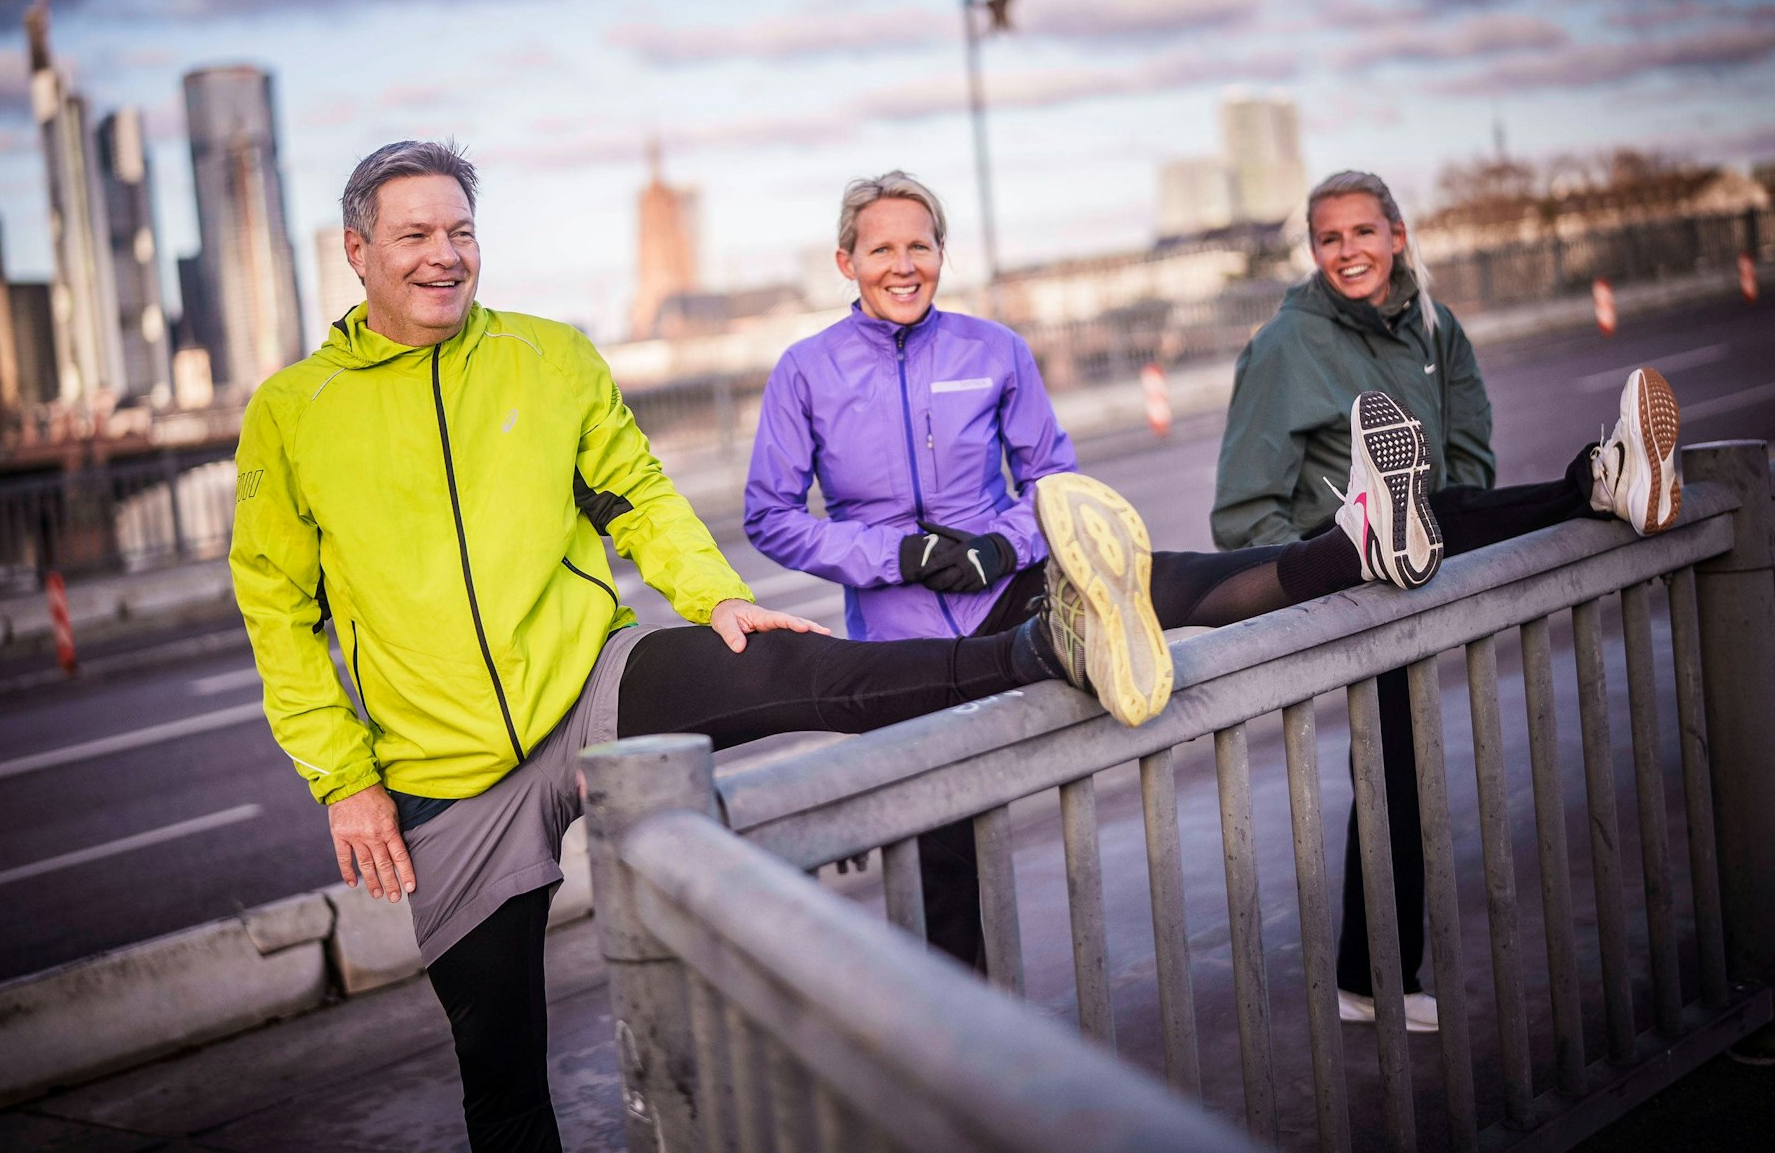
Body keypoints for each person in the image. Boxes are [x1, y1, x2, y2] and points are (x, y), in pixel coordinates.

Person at [232, 140, 1191, 1153]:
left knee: (788, 662)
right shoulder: (294, 412)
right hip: (440, 770)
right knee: (503, 1080)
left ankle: (1050, 647)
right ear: (357, 250)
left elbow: (637, 494)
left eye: (460, 231)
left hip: (584, 679)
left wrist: (714, 596)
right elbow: (277, 611)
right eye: (415, 234)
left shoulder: (547, 356)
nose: (444, 254)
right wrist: (343, 777)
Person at [745, 170, 1458, 970]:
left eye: (921, 245)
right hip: (899, 641)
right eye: (881, 248)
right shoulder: (806, 371)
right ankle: (967, 1068)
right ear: (846, 261)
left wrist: (1001, 543)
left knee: (1161, 577)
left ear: (943, 251)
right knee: (945, 875)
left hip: (1007, 587)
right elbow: (768, 515)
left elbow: (1051, 476)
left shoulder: (993, 350)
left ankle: (1352, 542)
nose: (903, 264)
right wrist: (893, 555)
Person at [1211, 168, 1681, 1032]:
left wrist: (1449, 551)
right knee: (1393, 773)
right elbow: (1244, 509)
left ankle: (1365, 976)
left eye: (1363, 231)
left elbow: (1469, 462)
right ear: (1312, 250)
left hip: (1423, 562)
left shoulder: (1435, 326)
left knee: (1401, 777)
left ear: (1397, 233)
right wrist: (1296, 595)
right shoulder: (1286, 346)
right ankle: (1600, 479)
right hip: (1343, 574)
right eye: (1328, 238)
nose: (1347, 250)